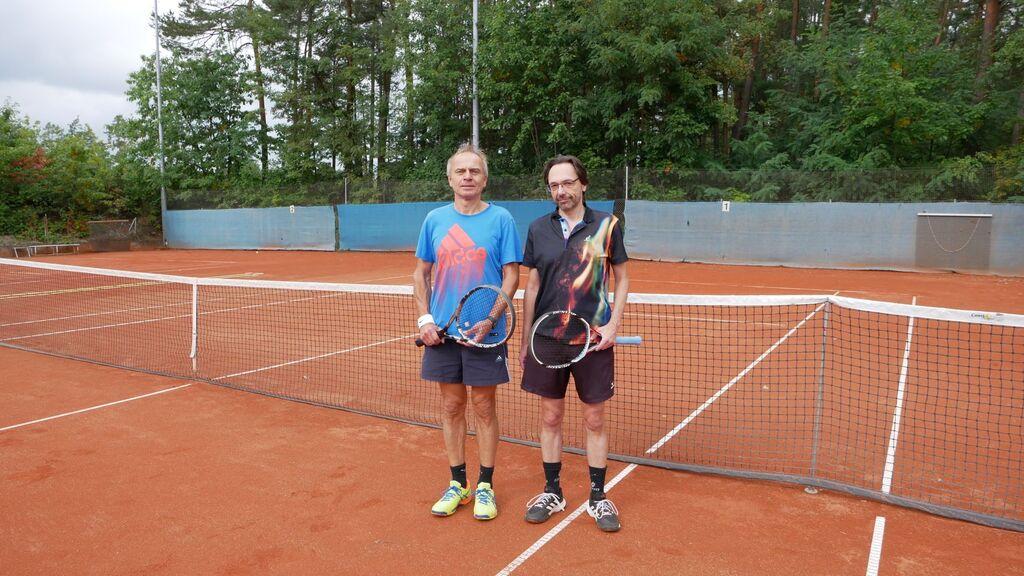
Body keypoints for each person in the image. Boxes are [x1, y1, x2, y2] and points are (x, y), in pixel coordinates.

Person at [519, 155, 629, 532]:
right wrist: (527, 337)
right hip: (548, 339)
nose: (561, 191)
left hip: (593, 339)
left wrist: (613, 324)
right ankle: (553, 491)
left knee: (594, 418)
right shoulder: (538, 228)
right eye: (554, 185)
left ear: (583, 184)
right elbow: (533, 284)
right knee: (550, 417)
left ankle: (598, 496)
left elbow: (622, 278)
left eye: (567, 183)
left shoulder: (607, 225)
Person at [413, 143, 522, 521]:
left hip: (485, 332)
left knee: (484, 407)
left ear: (485, 179)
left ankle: (485, 486)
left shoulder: (501, 219)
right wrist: (425, 320)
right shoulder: (434, 220)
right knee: (451, 406)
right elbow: (420, 273)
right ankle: (458, 483)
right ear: (450, 179)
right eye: (460, 171)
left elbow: (511, 275)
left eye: (474, 171)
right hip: (443, 332)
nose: (467, 177)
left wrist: (491, 319)